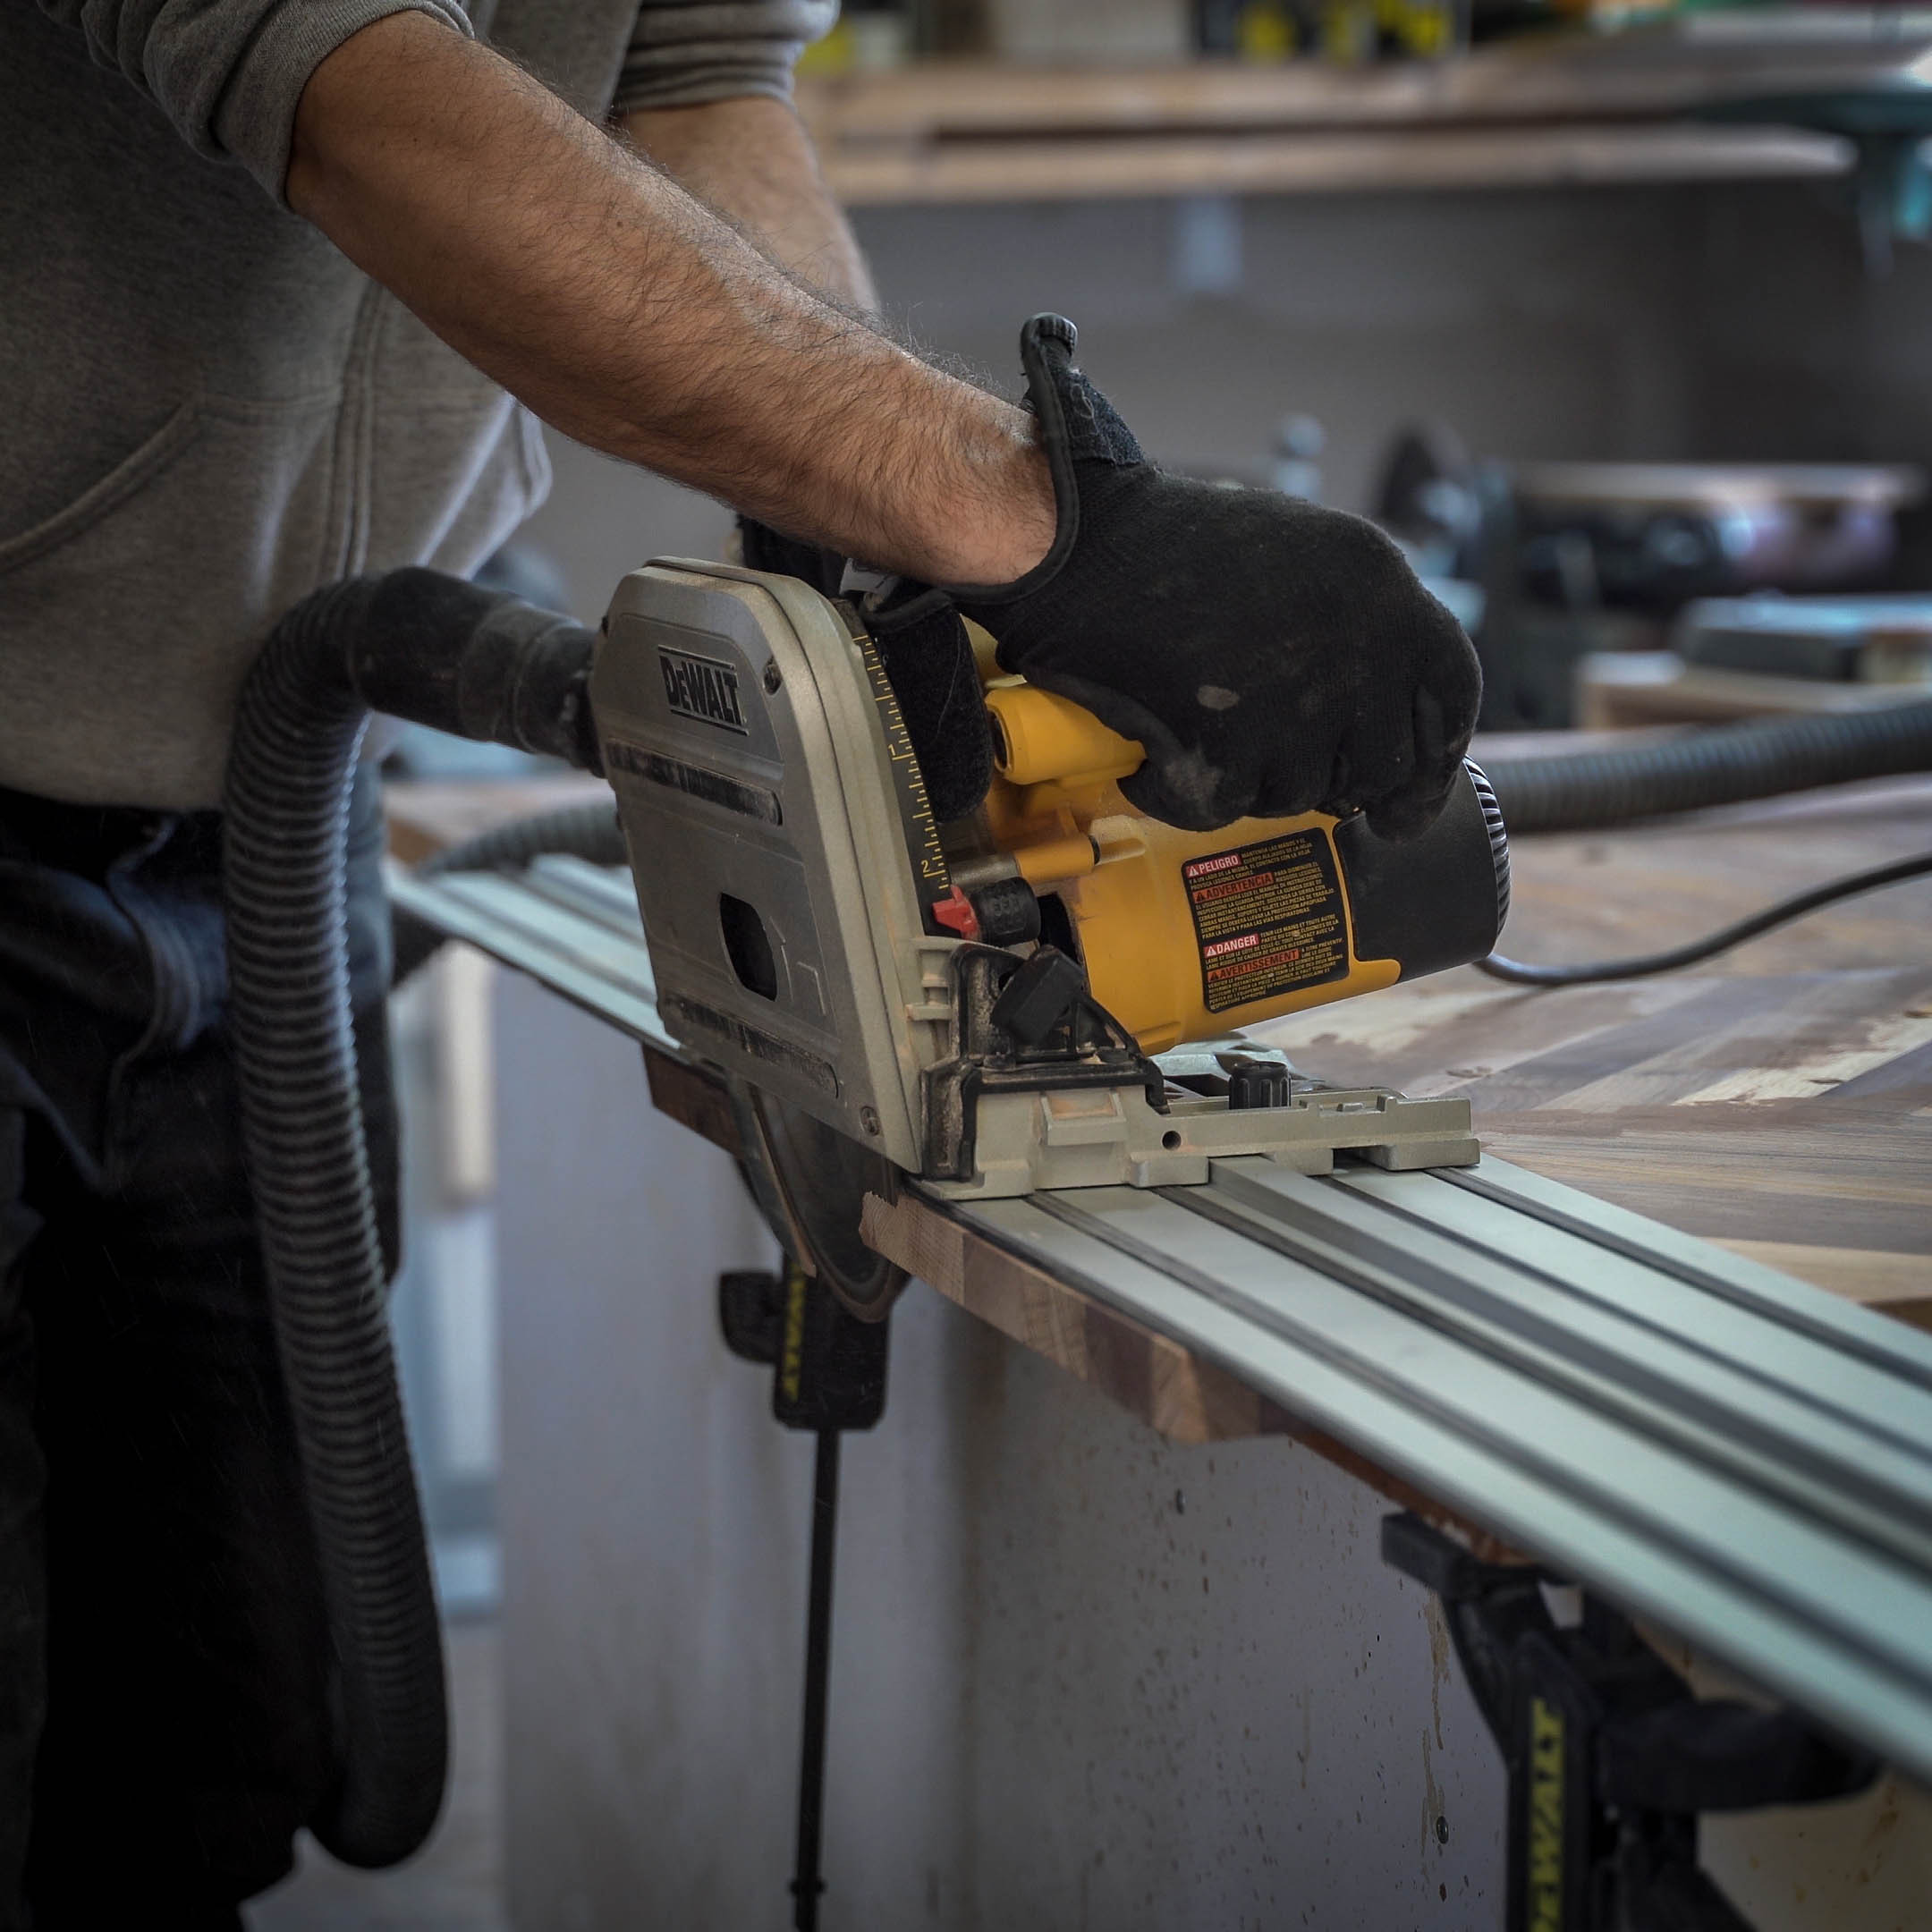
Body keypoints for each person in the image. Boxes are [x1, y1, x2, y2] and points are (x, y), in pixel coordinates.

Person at [0, 1, 1481, 1920]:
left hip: (268, 785)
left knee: (210, 1732)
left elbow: (693, 75)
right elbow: (348, 85)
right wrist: (1040, 524)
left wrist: (874, 568)